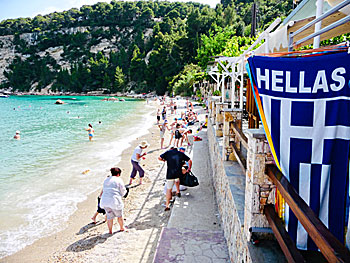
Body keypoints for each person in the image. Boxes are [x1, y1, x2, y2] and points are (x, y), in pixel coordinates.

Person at [100, 167, 127, 234]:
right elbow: (123, 191)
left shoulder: (106, 180)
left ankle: (110, 231)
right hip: (115, 201)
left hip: (105, 200)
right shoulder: (119, 180)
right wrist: (122, 195)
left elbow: (103, 190)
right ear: (118, 174)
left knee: (109, 217)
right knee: (119, 216)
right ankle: (121, 228)